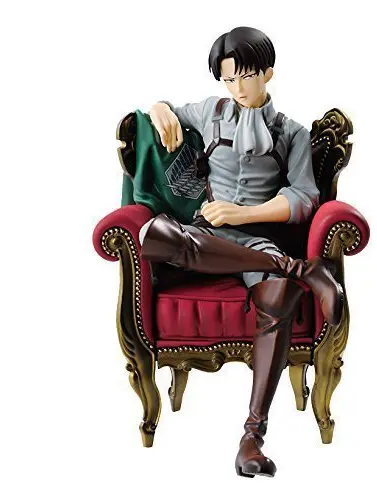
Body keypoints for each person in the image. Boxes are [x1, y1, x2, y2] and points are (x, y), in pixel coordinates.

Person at [139, 26, 343, 478]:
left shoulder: (290, 133)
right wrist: (158, 109)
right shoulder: (210, 112)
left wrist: (244, 214)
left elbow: (304, 198)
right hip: (205, 237)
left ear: (267, 73)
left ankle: (252, 437)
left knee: (279, 297)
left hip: (256, 239)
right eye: (228, 79)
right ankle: (300, 269)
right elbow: (166, 108)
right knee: (155, 236)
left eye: (246, 77)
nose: (237, 88)